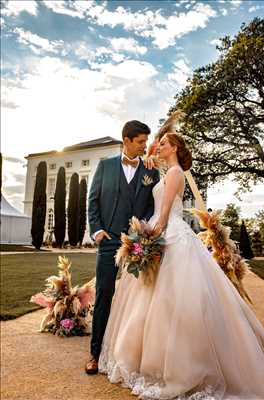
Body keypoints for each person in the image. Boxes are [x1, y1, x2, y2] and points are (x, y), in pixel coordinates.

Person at [98, 131, 264, 399]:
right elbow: (153, 183)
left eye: (164, 143)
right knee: (153, 299)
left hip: (168, 234)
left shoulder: (175, 173)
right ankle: (148, 356)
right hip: (162, 230)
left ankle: (177, 364)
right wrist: (151, 161)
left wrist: (150, 238)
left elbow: (163, 214)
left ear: (175, 147)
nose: (158, 145)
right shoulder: (168, 172)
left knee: (170, 299)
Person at [85, 120, 160, 374]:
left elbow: (152, 206)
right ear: (126, 140)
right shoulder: (105, 166)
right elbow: (93, 200)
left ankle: (129, 356)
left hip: (138, 244)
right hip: (108, 243)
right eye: (141, 141)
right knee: (104, 294)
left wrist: (144, 231)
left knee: (137, 299)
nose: (145, 146)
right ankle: (95, 353)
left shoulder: (151, 170)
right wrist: (97, 231)